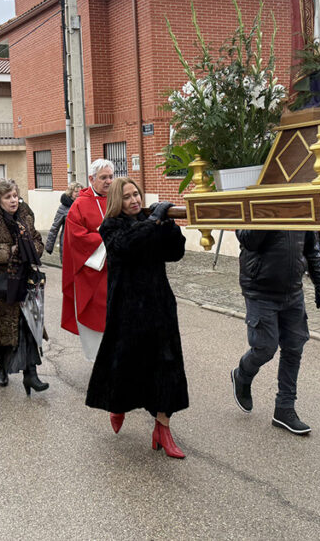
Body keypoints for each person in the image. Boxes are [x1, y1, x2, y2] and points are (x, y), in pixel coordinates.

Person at [86, 178, 189, 458]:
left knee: (166, 366)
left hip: (159, 306)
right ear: (117, 201)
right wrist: (154, 221)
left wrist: (168, 225)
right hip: (127, 309)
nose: (134, 200)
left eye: (136, 194)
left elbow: (175, 253)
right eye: (127, 196)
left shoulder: (150, 222)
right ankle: (117, 405)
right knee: (125, 365)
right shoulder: (111, 226)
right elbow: (126, 246)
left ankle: (162, 429)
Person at [231, 226, 320, 436]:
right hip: (260, 290)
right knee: (265, 348)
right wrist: (268, 213)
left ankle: (284, 408)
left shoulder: (302, 210)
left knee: (294, 348)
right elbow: (249, 240)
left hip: (293, 291)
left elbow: (311, 248)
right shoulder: (253, 207)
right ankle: (243, 374)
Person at [0, 178, 47, 394]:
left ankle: (31, 374)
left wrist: (31, 248)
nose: (13, 200)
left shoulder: (25, 216)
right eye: (8, 197)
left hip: (24, 281)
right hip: (0, 284)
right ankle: (2, 367)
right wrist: (10, 251)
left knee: (27, 327)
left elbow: (38, 241)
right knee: (2, 331)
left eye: (15, 196)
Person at [61, 159, 115, 360]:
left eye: (111, 177)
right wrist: (108, 238)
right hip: (93, 272)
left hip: (117, 270)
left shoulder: (118, 199)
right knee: (97, 316)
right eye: (103, 177)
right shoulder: (80, 205)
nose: (108, 181)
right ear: (92, 179)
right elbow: (76, 239)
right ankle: (100, 361)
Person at [45, 182, 83, 259]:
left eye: (80, 191)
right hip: (67, 242)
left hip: (81, 243)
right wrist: (49, 246)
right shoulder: (63, 208)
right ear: (70, 193)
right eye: (76, 191)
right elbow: (55, 227)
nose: (78, 194)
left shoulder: (84, 206)